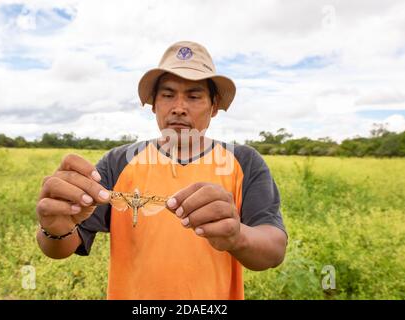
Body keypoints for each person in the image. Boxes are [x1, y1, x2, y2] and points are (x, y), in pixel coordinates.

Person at [36, 41, 288, 300]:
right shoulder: (118, 162)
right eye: (168, 95)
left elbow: (274, 250)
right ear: (154, 105)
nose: (179, 107)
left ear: (213, 106)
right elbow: (62, 246)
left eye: (193, 96)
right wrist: (54, 229)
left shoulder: (243, 161)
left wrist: (237, 236)